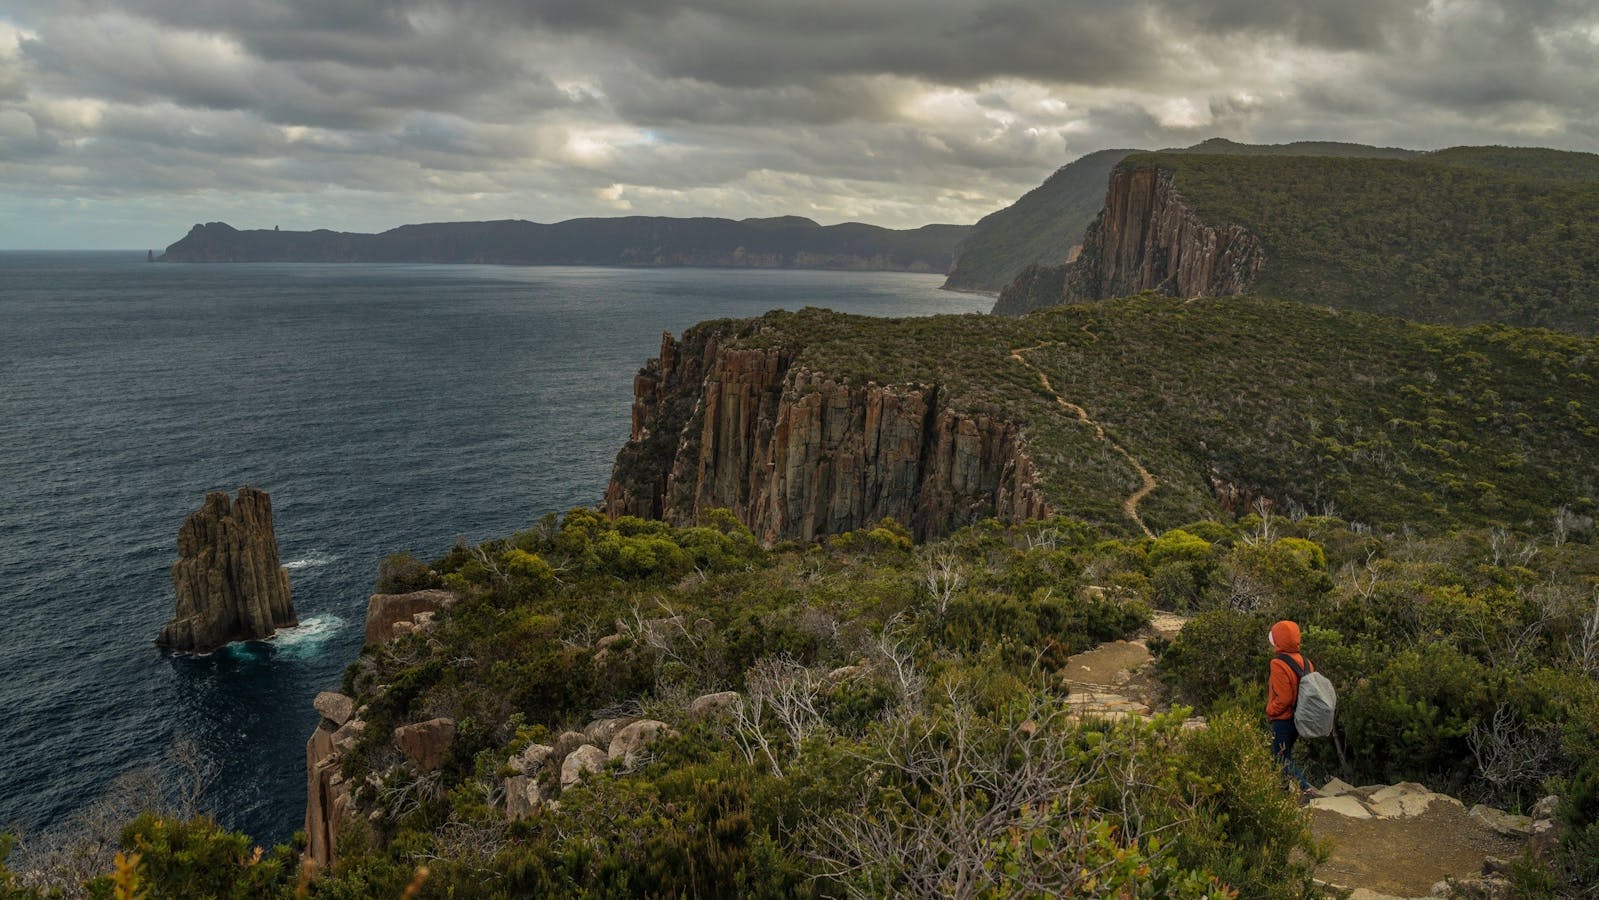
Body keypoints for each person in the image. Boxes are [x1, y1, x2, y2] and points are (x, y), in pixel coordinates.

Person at [1267, 619, 1318, 800]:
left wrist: (1270, 710)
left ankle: (1305, 789)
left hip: (1283, 718)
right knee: (1285, 753)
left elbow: (1284, 698)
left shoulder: (1277, 663)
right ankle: (1283, 792)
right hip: (1299, 716)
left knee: (1280, 756)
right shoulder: (1306, 662)